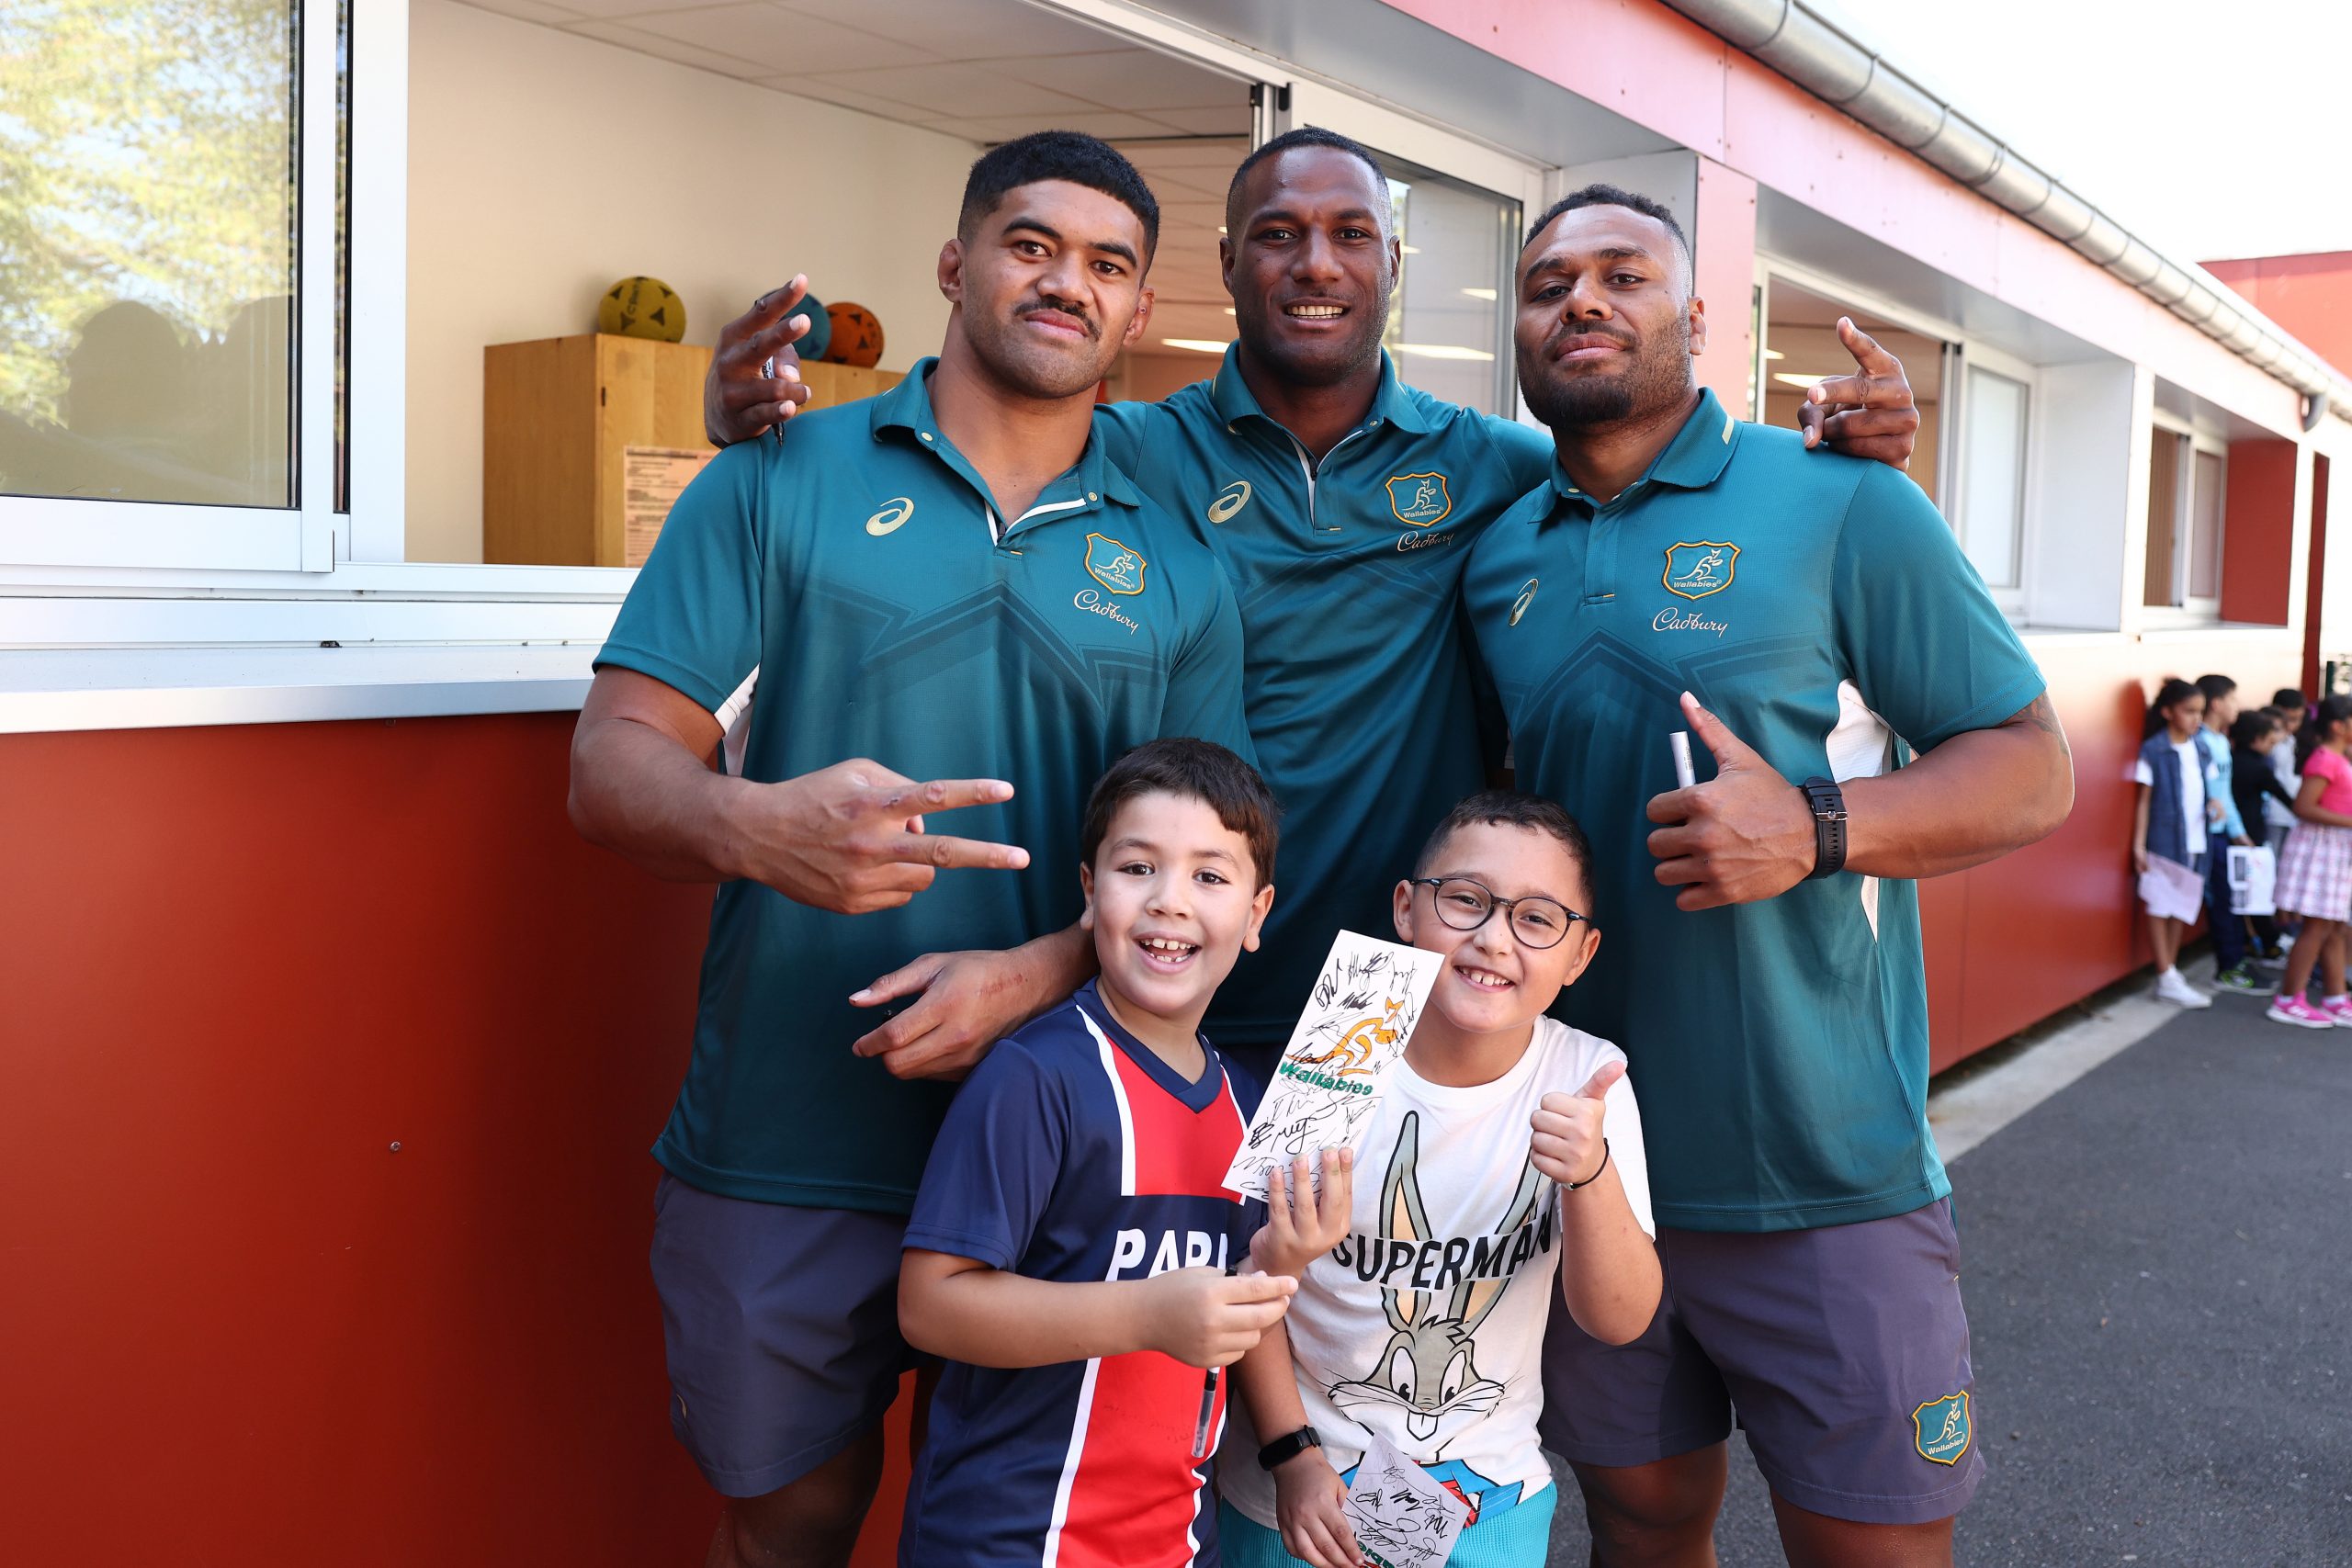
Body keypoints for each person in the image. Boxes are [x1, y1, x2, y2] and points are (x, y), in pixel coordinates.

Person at [699, 129, 1924, 1098]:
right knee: (1154, 1317)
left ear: (1394, 264)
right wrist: (755, 434)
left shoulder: (1493, 465)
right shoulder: (1127, 447)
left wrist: (1830, 446)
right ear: (1230, 267)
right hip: (1151, 965)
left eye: (1350, 234)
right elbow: (987, 427)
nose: (1316, 263)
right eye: (1277, 235)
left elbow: (1637, 471)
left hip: (1380, 992)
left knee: (1333, 1339)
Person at [568, 133, 1257, 1568]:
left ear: (1137, 317)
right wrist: (759, 827)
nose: (1065, 282)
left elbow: (1209, 848)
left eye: (1107, 266)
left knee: (1022, 1524)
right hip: (787, 1122)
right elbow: (612, 765)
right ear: (956, 264)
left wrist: (1033, 973)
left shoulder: (1182, 559)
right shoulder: (778, 476)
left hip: (1071, 1129)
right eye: (1029, 243)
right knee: (788, 1517)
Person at [1458, 186, 2072, 1566]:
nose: (1583, 301)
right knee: (1644, 1517)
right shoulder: (1498, 548)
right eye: (1549, 281)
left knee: (1869, 1541)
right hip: (1591, 1161)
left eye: (1624, 274)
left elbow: (2033, 765)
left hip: (1823, 1162)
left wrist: (1816, 823)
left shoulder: (1843, 498)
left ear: (1699, 318)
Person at [895, 739, 1318, 1567]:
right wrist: (1146, 1315)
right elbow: (930, 1305)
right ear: (1090, 892)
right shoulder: (1036, 1075)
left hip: (1172, 1540)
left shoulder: (1251, 1102)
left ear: (1258, 913)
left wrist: (1292, 1446)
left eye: (1210, 875)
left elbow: (1240, 1297)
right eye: (1137, 868)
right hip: (1008, 1541)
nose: (1170, 902)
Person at [1221, 790, 1658, 1568]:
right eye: (1465, 900)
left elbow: (1618, 1318)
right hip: (1298, 1487)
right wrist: (1290, 1456)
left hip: (1487, 1496)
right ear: (1407, 909)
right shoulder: (1344, 1037)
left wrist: (1589, 1175)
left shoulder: (1586, 1075)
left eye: (1536, 917)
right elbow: (1250, 1283)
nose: (1493, 937)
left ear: (1580, 953)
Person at [2266, 695, 2352, 1030]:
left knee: (2334, 926)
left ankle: (2335, 997)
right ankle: (2288, 999)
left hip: (2336, 849)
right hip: (2321, 848)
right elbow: (2303, 807)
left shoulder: (2339, 758)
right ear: (2337, 725)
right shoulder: (2324, 759)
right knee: (2317, 927)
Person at [2134, 679, 2216, 1010]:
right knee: (2159, 904)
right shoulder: (2154, 750)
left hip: (2196, 841)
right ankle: (2165, 973)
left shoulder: (2202, 747)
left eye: (2200, 712)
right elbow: (2144, 801)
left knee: (2180, 906)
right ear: (2168, 712)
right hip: (2163, 841)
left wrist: (2215, 806)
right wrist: (2138, 845)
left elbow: (2204, 791)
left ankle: (2170, 973)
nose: (2196, 718)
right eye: (2189, 711)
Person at [2194, 674, 2267, 995]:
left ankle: (2235, 961)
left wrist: (2239, 833)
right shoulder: (2198, 741)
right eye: (2233, 699)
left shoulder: (2222, 742)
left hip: (2225, 836)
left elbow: (2224, 795)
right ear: (2217, 703)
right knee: (2221, 901)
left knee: (2231, 899)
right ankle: (2227, 967)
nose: (2238, 706)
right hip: (2206, 837)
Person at [2227, 708, 2294, 965]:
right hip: (2251, 840)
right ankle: (2269, 945)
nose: (2272, 745)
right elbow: (2287, 798)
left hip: (2232, 837)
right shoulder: (2258, 769)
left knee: (2237, 898)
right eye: (2269, 740)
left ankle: (2247, 942)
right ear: (2256, 739)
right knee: (2256, 896)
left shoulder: (2232, 760)